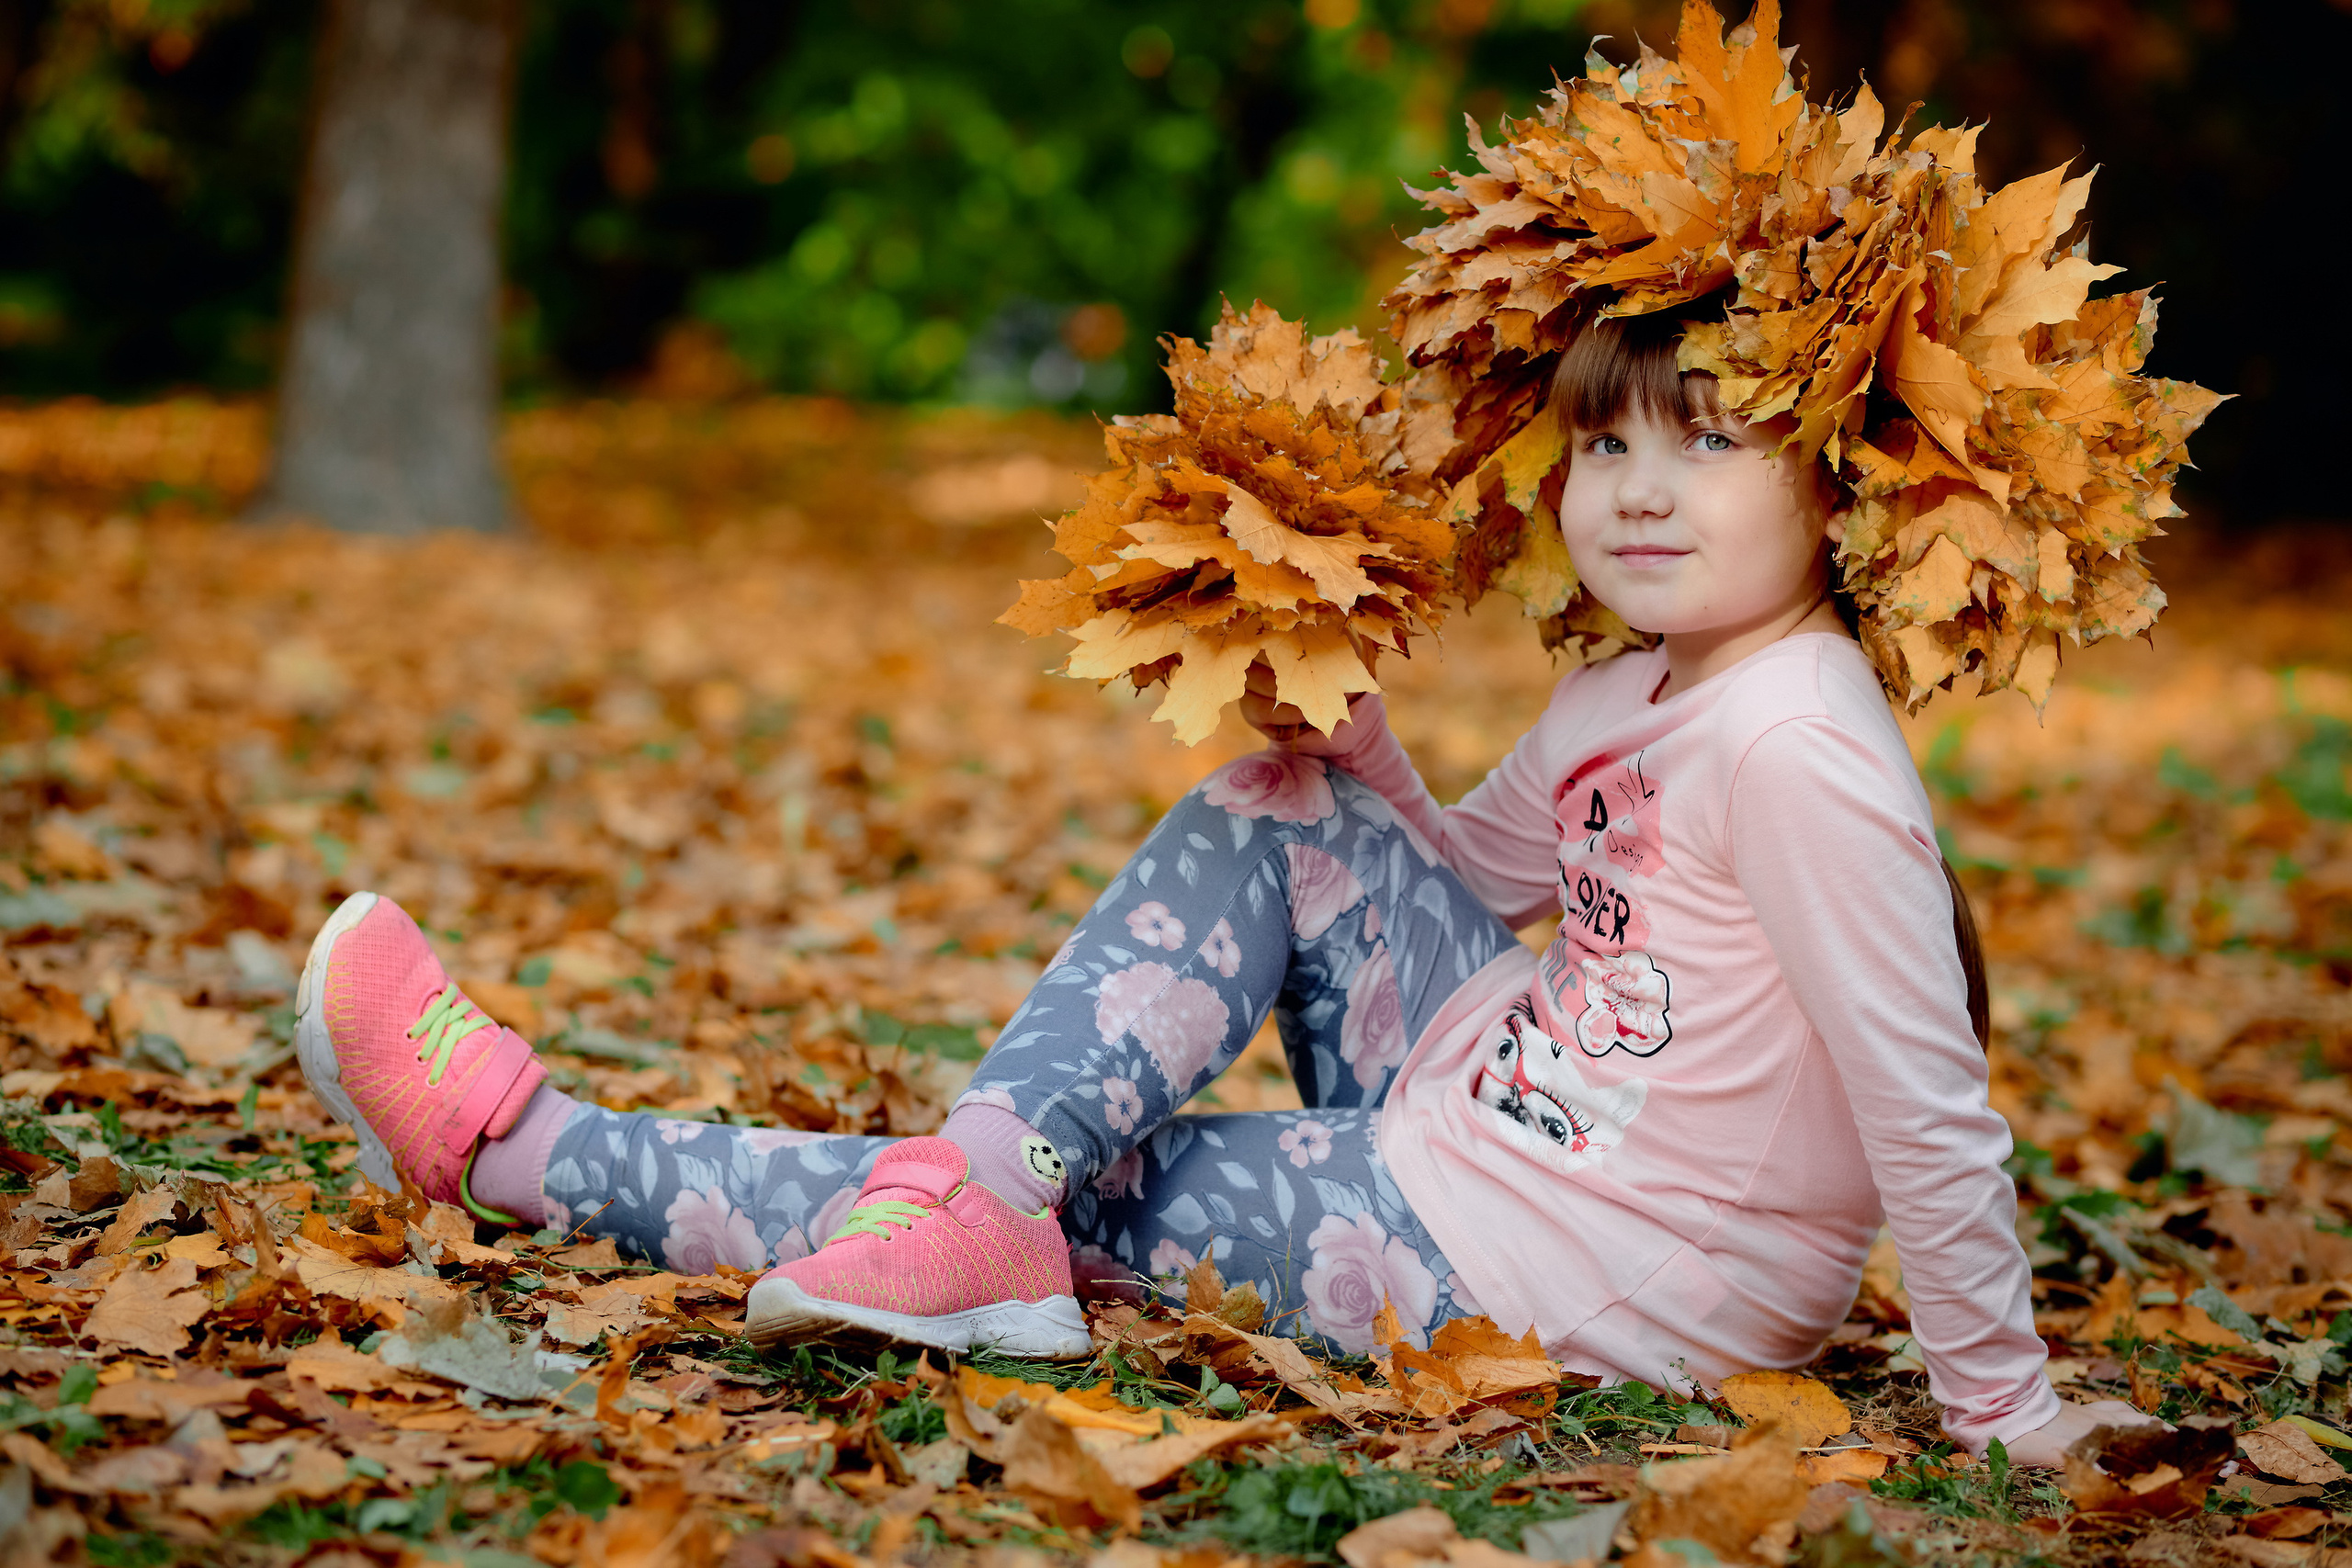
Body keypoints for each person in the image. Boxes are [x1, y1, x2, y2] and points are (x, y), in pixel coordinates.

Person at [291, 304, 2157, 1467]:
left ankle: (526, 1143)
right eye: (1604, 443)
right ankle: (985, 1195)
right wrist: (1333, 717)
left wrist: (2000, 1403)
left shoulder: (1802, 745)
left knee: (1110, 1179)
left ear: (1839, 477)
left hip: (1610, 1271)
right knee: (1277, 795)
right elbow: (1471, 875)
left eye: (1710, 438)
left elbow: (1927, 1100)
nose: (1637, 491)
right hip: (1508, 1106)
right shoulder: (1638, 676)